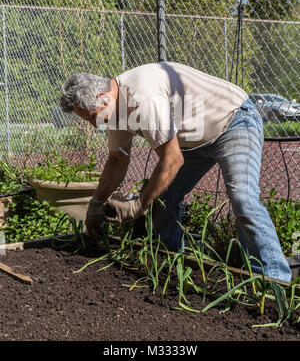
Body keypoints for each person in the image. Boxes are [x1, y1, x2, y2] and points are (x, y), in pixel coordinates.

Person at [60, 62, 292, 283]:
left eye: (92, 116)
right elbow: (117, 159)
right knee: (162, 197)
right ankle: (171, 267)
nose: (93, 124)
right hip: (192, 140)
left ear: (103, 98)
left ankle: (274, 282)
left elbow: (172, 159)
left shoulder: (142, 97)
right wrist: (96, 203)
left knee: (243, 199)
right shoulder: (114, 110)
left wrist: (138, 205)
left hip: (232, 121)